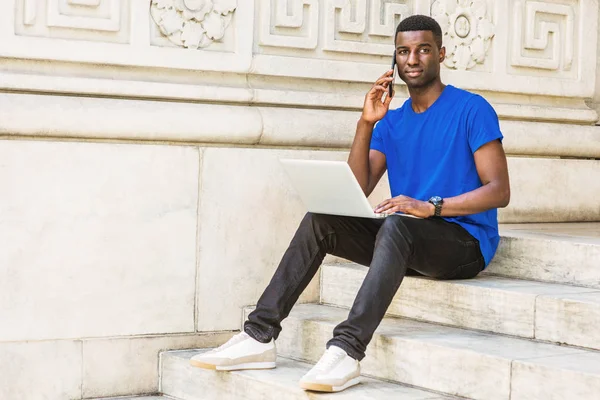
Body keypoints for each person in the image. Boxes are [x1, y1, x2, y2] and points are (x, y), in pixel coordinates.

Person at [189, 14, 511, 394]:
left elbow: (499, 190)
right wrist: (366, 123)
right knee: (322, 219)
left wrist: (431, 207)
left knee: (398, 223)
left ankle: (347, 350)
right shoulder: (391, 124)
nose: (412, 59)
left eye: (423, 49)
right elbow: (355, 188)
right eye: (403, 51)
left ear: (440, 54)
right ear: (394, 60)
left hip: (464, 243)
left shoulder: (472, 109)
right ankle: (259, 335)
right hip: (409, 238)